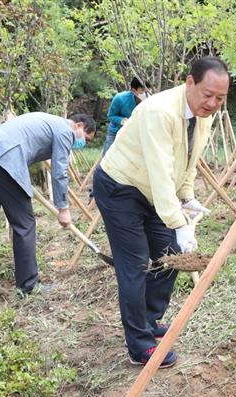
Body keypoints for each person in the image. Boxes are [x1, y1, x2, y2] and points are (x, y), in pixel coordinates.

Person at [93, 56, 229, 368]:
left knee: (170, 255)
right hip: (120, 187)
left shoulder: (202, 115)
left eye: (220, 98)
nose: (212, 103)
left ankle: (149, 319)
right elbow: (160, 171)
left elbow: (188, 160)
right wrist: (179, 223)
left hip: (153, 191)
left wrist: (187, 196)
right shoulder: (159, 111)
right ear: (190, 82)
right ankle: (139, 345)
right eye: (208, 94)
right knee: (135, 264)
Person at [0, 112, 97, 295]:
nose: (83, 143)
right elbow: (59, 170)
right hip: (4, 158)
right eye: (86, 139)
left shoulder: (47, 120)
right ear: (78, 125)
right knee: (24, 225)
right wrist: (63, 208)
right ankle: (28, 286)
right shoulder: (65, 130)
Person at [103, 76, 148, 155]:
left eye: (146, 90)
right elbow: (111, 116)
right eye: (142, 90)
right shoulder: (120, 98)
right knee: (108, 156)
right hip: (116, 132)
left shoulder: (149, 101)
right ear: (134, 90)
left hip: (134, 135)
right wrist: (122, 120)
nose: (145, 93)